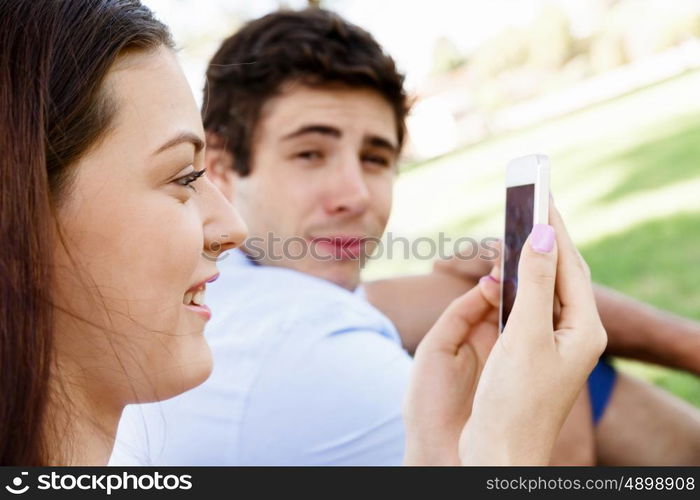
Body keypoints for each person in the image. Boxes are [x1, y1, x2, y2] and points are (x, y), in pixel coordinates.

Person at [0, 0, 606, 467]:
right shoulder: (309, 349)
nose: (356, 195)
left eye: (376, 158)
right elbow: (571, 464)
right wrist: (504, 458)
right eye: (185, 176)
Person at [111, 8, 700, 466]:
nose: (355, 193)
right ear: (220, 166)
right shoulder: (320, 357)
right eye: (310, 153)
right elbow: (551, 465)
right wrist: (531, 350)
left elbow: (432, 296)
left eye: (374, 157)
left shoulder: (239, 283)